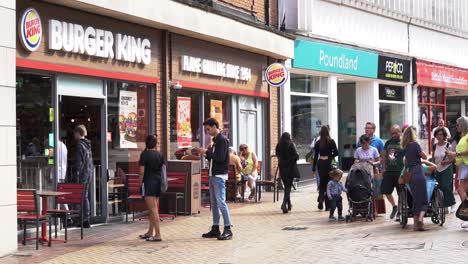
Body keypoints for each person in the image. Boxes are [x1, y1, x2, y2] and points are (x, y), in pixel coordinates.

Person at [199, 118, 233, 240]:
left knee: (221, 202)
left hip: (219, 176)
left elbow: (219, 158)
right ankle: (215, 227)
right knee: (213, 203)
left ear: (214, 127)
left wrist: (206, 152)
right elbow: (214, 159)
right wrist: (205, 153)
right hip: (213, 174)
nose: (207, 132)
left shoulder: (222, 140)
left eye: (208, 129)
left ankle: (228, 228)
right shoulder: (215, 141)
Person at [401, 126, 428, 231]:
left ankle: (416, 225)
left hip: (411, 174)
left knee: (416, 199)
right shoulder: (416, 145)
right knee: (424, 199)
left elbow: (406, 164)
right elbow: (424, 157)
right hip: (419, 172)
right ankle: (421, 218)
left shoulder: (406, 147)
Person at [138, 135, 165, 242]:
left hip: (148, 183)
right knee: (152, 209)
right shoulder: (159, 155)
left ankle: (158, 234)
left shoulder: (145, 154)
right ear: (156, 143)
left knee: (153, 210)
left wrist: (140, 184)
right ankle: (150, 232)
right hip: (158, 183)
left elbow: (141, 172)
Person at [446, 116, 468, 230]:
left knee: (461, 190)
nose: (456, 126)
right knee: (464, 191)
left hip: (466, 166)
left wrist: (455, 154)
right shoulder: (463, 137)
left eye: (458, 124)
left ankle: (466, 216)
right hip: (462, 166)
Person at [312, 126, 338, 211]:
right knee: (328, 183)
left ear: (320, 133)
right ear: (328, 132)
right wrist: (330, 156)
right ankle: (328, 206)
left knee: (322, 182)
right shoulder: (331, 141)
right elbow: (336, 152)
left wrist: (313, 168)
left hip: (320, 163)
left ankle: (321, 198)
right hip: (328, 163)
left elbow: (315, 156)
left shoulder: (318, 143)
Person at [380, 125, 404, 219]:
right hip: (389, 171)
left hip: (400, 171)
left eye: (395, 133)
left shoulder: (403, 142)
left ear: (400, 132)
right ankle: (394, 206)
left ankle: (400, 211)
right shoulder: (388, 142)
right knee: (385, 190)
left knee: (401, 193)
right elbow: (384, 155)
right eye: (392, 133)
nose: (393, 135)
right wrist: (383, 168)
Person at [432, 127, 456, 213]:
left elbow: (453, 159)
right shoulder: (435, 146)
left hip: (447, 168)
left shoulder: (448, 145)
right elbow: (433, 158)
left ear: (444, 135)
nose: (439, 136)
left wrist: (446, 162)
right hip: (437, 169)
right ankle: (444, 205)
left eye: (441, 134)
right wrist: (433, 166)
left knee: (447, 186)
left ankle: (452, 203)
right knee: (439, 187)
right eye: (438, 134)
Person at [73, 125, 93, 228]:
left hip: (83, 175)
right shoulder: (88, 145)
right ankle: (86, 218)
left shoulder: (80, 145)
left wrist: (77, 175)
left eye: (74, 133)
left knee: (83, 197)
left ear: (77, 133)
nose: (74, 135)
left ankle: (85, 219)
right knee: (85, 196)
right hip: (88, 173)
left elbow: (80, 162)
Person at [276, 132, 300, 214]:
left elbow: (277, 155)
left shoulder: (278, 145)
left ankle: (289, 204)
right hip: (290, 168)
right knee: (288, 187)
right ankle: (283, 204)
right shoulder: (291, 144)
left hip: (282, 168)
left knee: (286, 186)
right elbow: (296, 156)